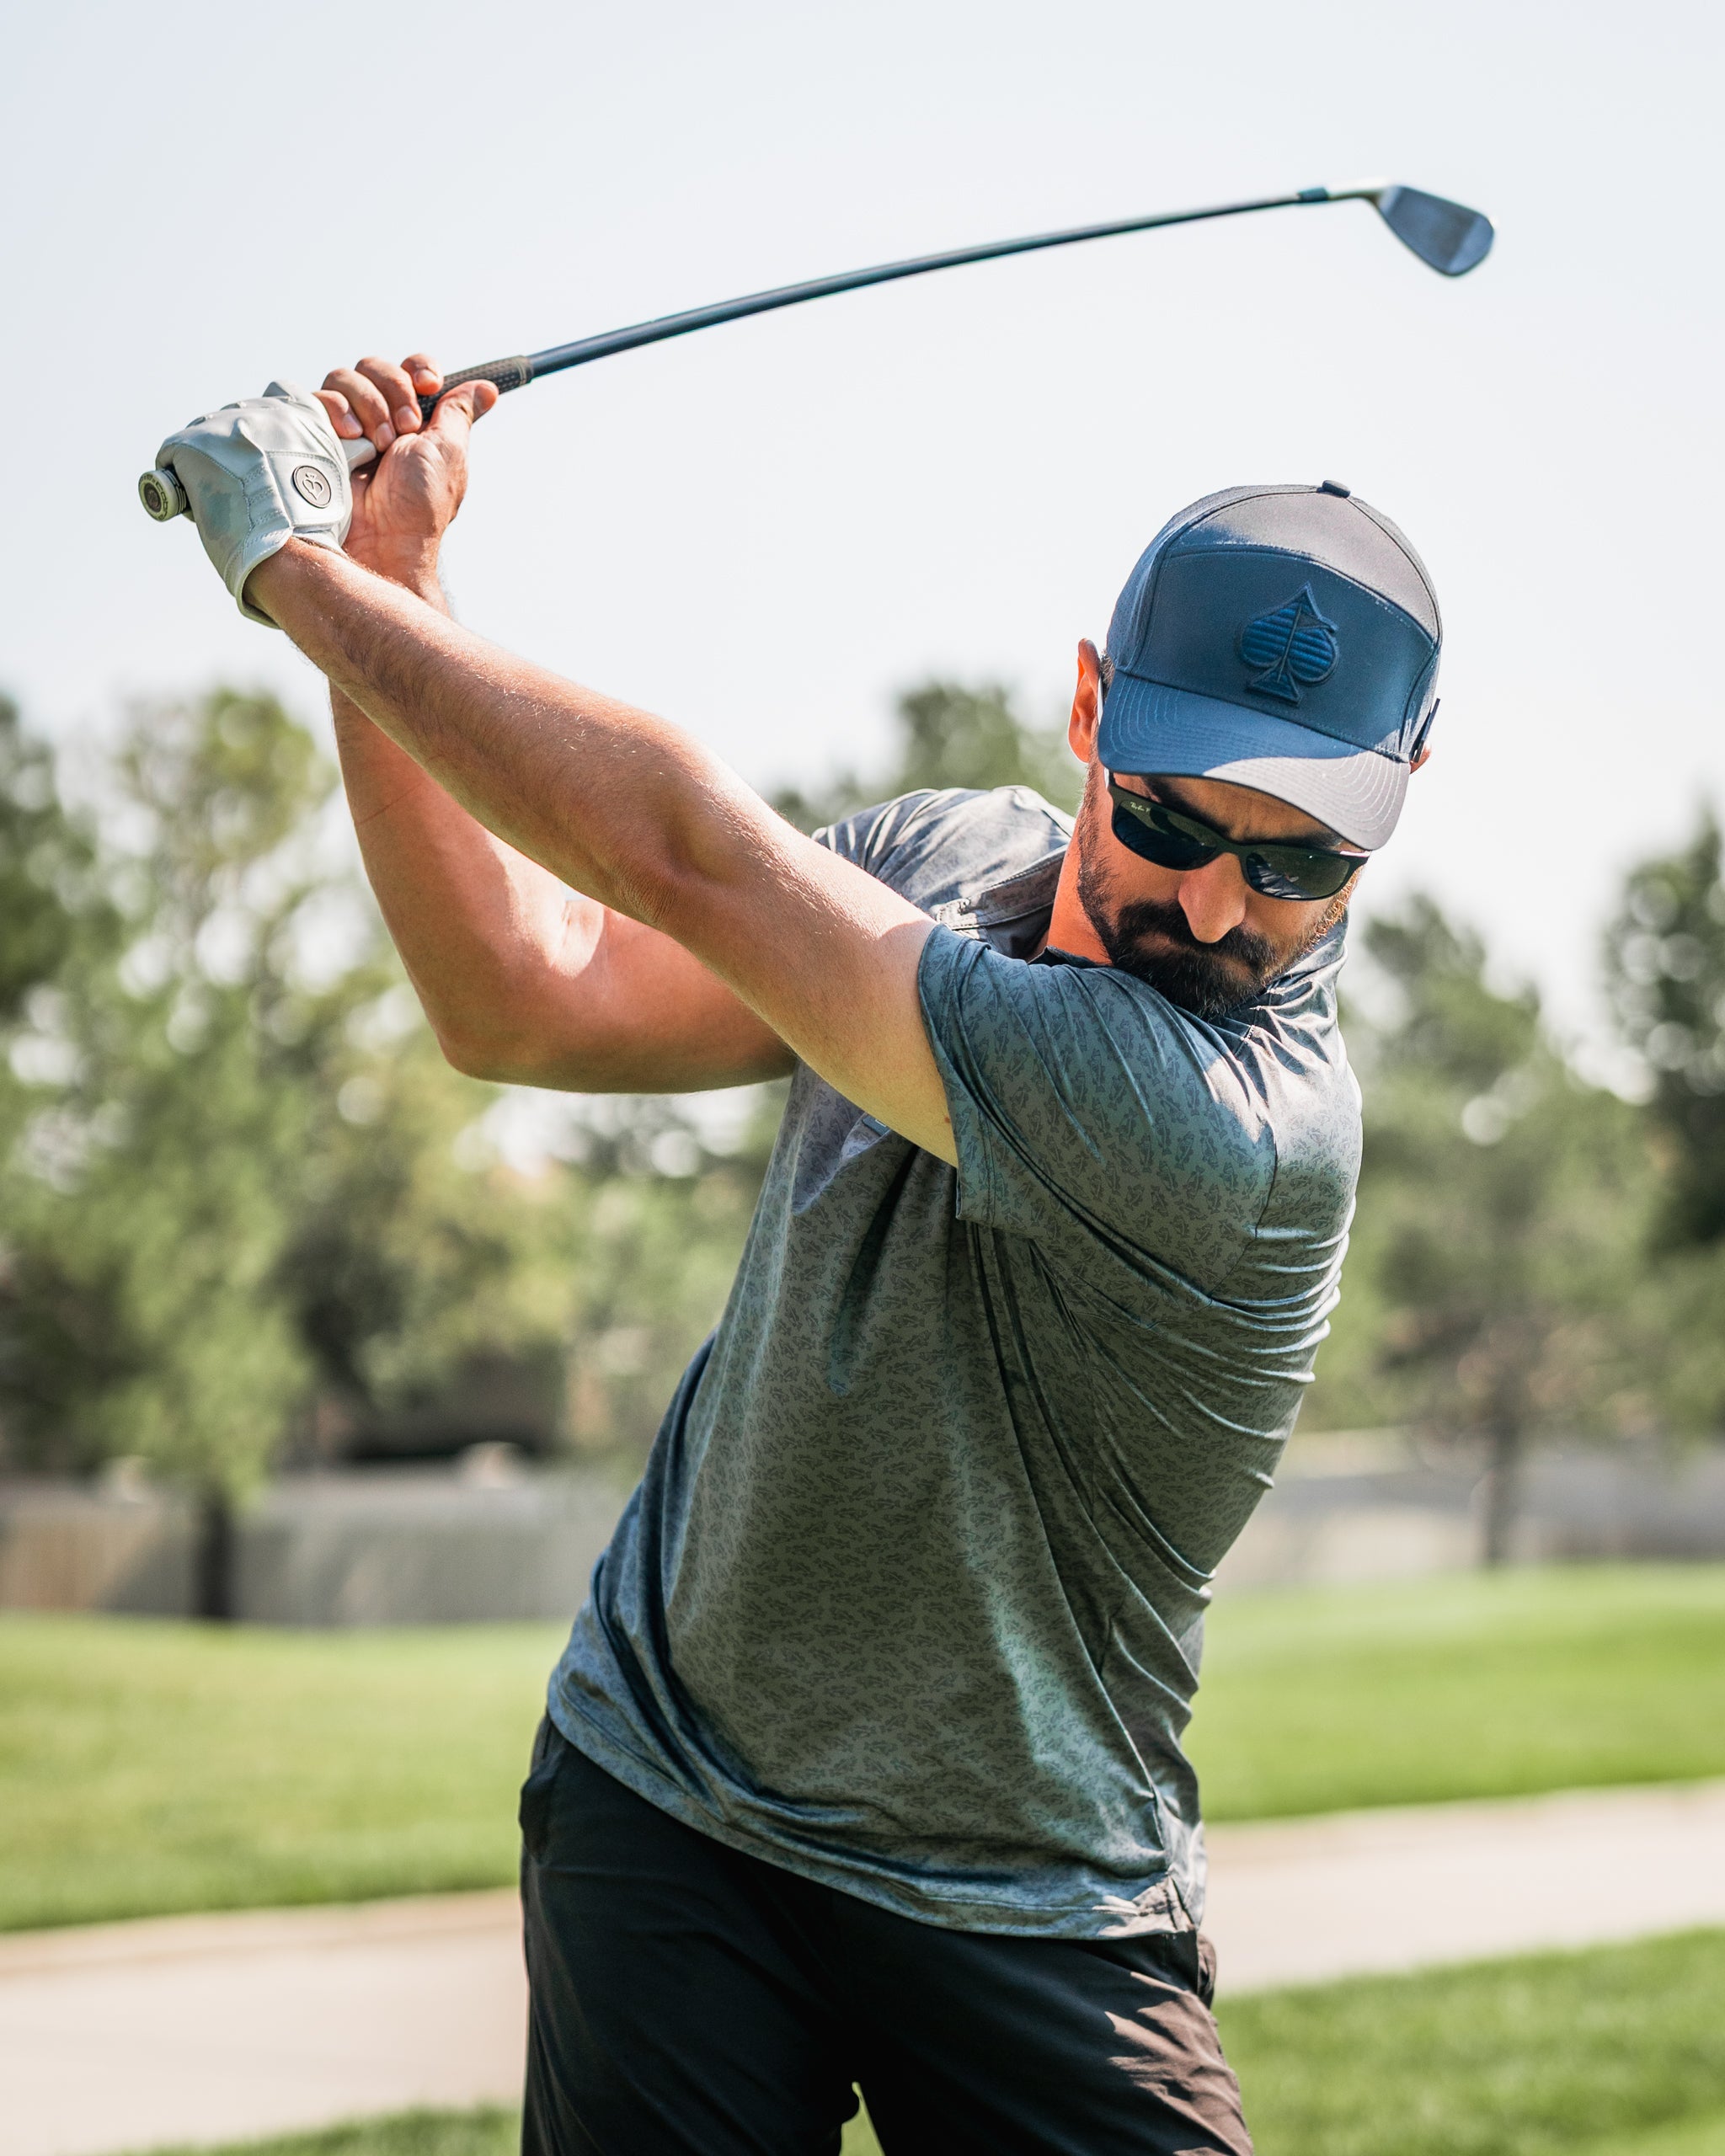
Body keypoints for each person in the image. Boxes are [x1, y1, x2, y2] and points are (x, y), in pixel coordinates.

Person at [153, 358, 1442, 2155]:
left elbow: (693, 856)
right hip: (669, 1797)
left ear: (1401, 799)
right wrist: (394, 579)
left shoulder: (1238, 1126)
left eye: (1298, 859)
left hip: (1032, 1890)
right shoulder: (947, 858)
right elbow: (523, 994)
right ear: (1089, 707)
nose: (1218, 906)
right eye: (1170, 821)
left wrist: (295, 572)